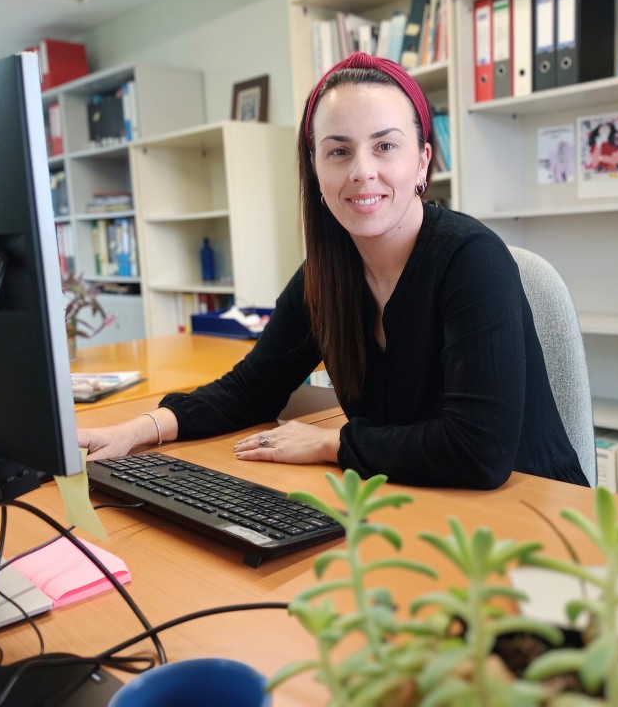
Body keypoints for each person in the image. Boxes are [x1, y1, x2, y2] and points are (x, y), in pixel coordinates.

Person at [77, 52, 588, 490]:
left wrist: (330, 443)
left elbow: (480, 451)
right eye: (339, 151)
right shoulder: (326, 275)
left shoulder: (471, 258)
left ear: (422, 162)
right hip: (411, 504)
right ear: (315, 170)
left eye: (386, 146)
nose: (362, 170)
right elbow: (251, 389)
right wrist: (141, 428)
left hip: (532, 514)